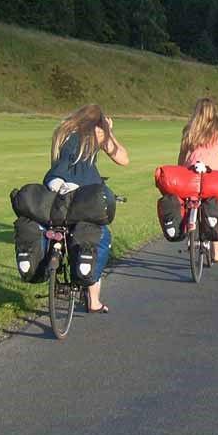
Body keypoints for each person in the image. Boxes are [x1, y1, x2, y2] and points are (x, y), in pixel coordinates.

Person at [43, 104, 129, 312]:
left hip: (56, 190)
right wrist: (110, 132)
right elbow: (123, 159)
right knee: (97, 237)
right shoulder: (96, 133)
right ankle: (94, 301)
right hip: (84, 195)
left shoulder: (61, 131)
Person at [177, 97, 218, 263]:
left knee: (190, 199)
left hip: (192, 169)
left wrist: (181, 170)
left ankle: (189, 227)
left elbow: (182, 154)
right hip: (214, 172)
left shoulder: (190, 128)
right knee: (215, 206)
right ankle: (216, 254)